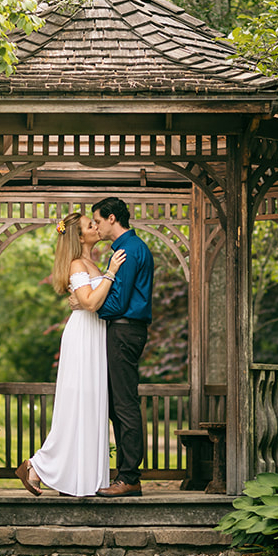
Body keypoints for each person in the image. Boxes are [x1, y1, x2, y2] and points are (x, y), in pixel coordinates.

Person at [15, 212, 127, 497]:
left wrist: (96, 287)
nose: (96, 227)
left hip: (95, 335)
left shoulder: (91, 262)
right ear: (79, 237)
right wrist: (111, 273)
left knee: (89, 408)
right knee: (77, 406)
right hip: (83, 338)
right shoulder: (78, 263)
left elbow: (92, 299)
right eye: (90, 226)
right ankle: (37, 466)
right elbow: (90, 303)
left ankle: (75, 476)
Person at [90, 196, 154, 498]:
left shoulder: (128, 250)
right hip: (127, 331)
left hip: (125, 330)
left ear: (113, 218)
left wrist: (87, 305)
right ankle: (126, 474)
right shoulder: (128, 248)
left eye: (99, 221)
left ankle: (129, 477)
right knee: (119, 405)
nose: (96, 227)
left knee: (125, 405)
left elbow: (118, 302)